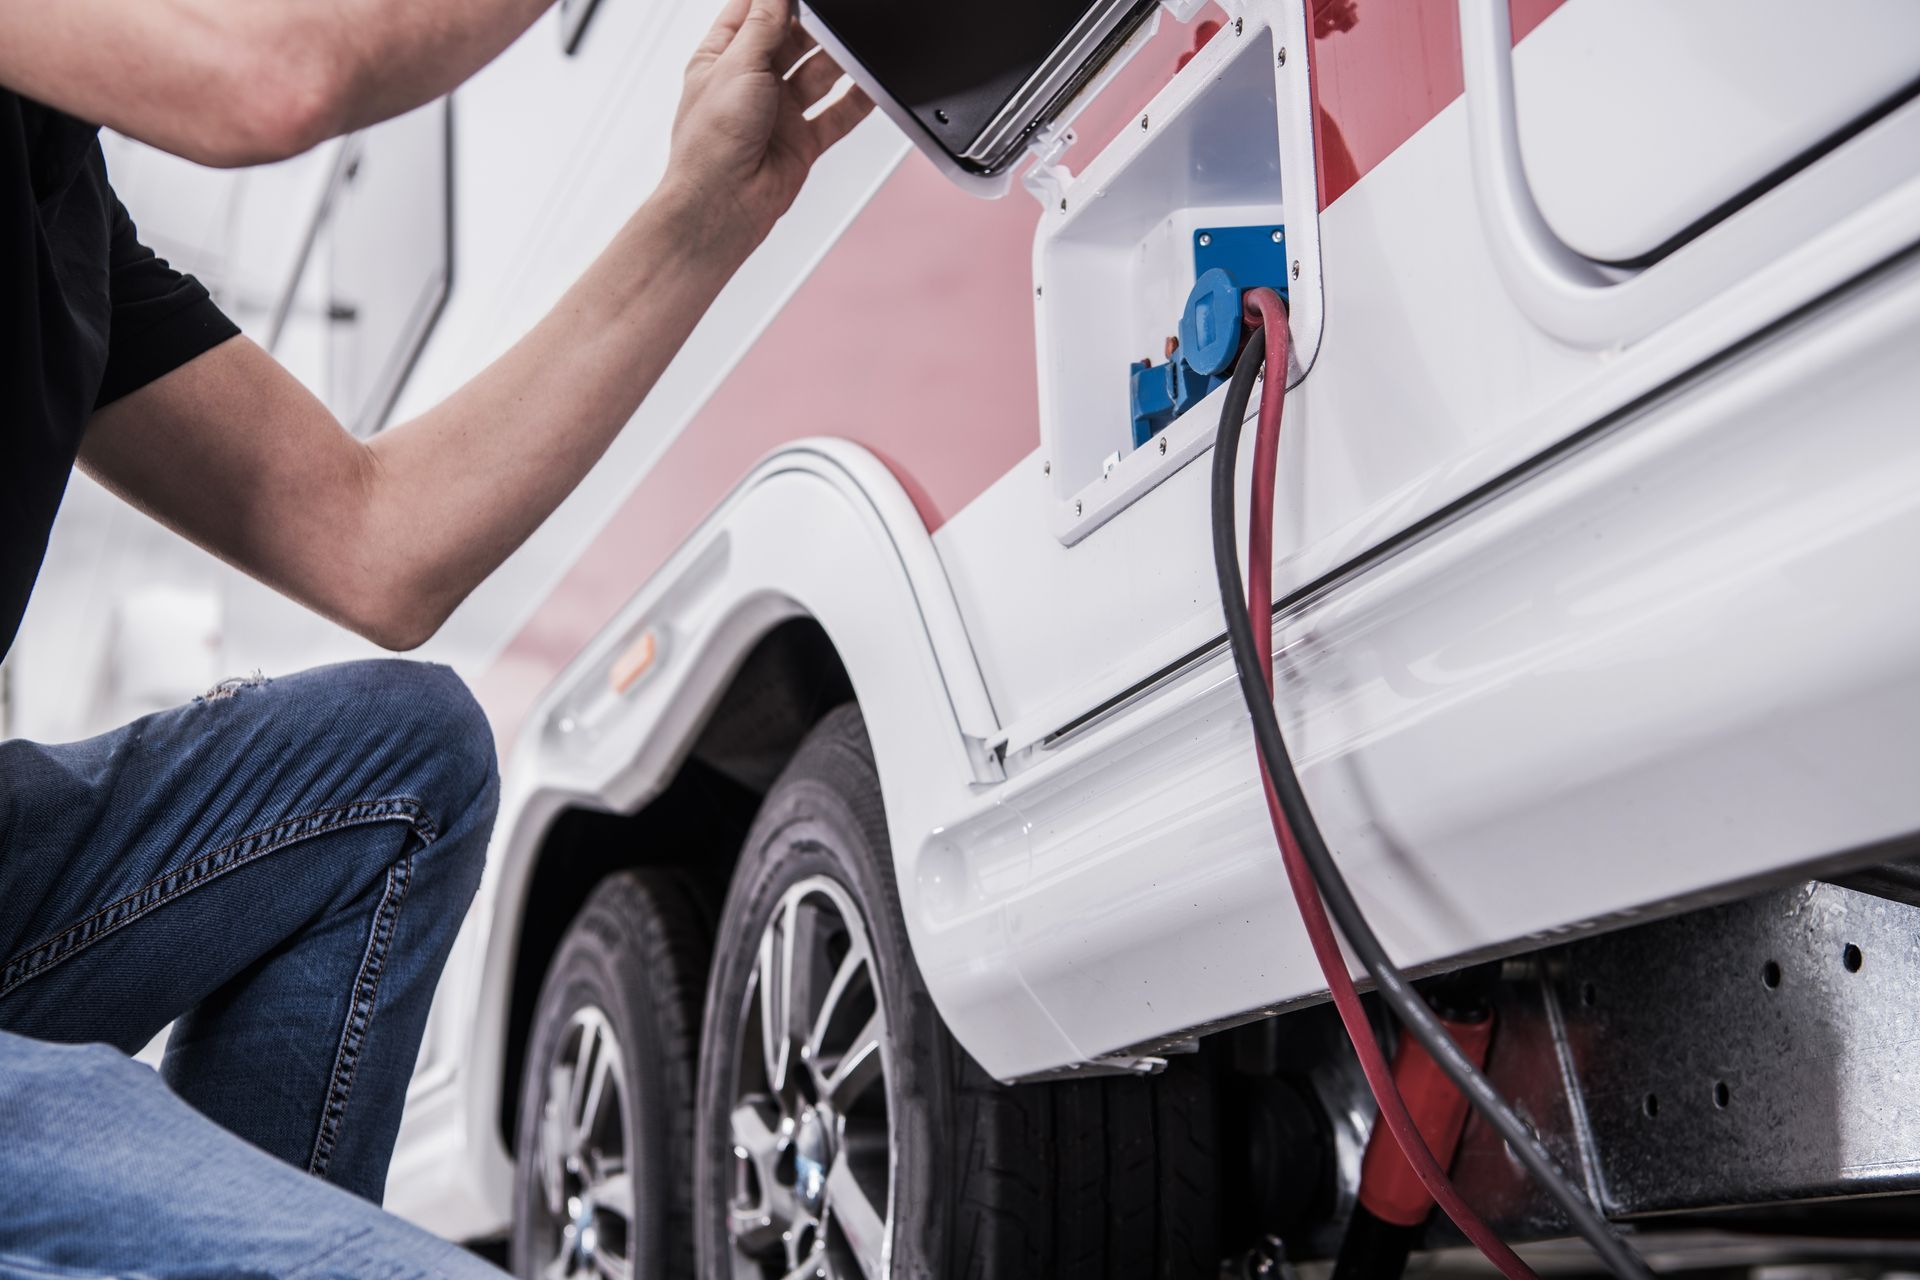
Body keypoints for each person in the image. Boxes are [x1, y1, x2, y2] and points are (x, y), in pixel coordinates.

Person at [0, 0, 870, 1273]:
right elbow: (272, 76)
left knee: (409, 753)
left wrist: (707, 206)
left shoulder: (60, 199)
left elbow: (378, 538)